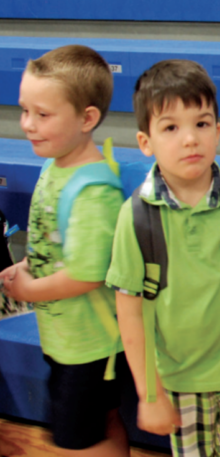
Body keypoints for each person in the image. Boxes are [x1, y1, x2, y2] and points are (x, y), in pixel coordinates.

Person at [106, 59, 220, 457]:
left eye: (202, 123)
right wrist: (149, 392)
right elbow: (129, 310)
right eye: (171, 127)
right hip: (179, 382)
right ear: (146, 141)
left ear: (218, 131)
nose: (190, 139)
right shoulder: (136, 215)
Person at [0, 44, 130, 457]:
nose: (28, 125)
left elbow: (87, 273)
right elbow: (57, 245)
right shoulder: (53, 165)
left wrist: (26, 291)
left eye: (43, 114)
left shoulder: (93, 190)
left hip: (90, 344)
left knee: (80, 439)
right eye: (24, 110)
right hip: (68, 337)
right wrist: (26, 265)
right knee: (95, 424)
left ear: (87, 118)